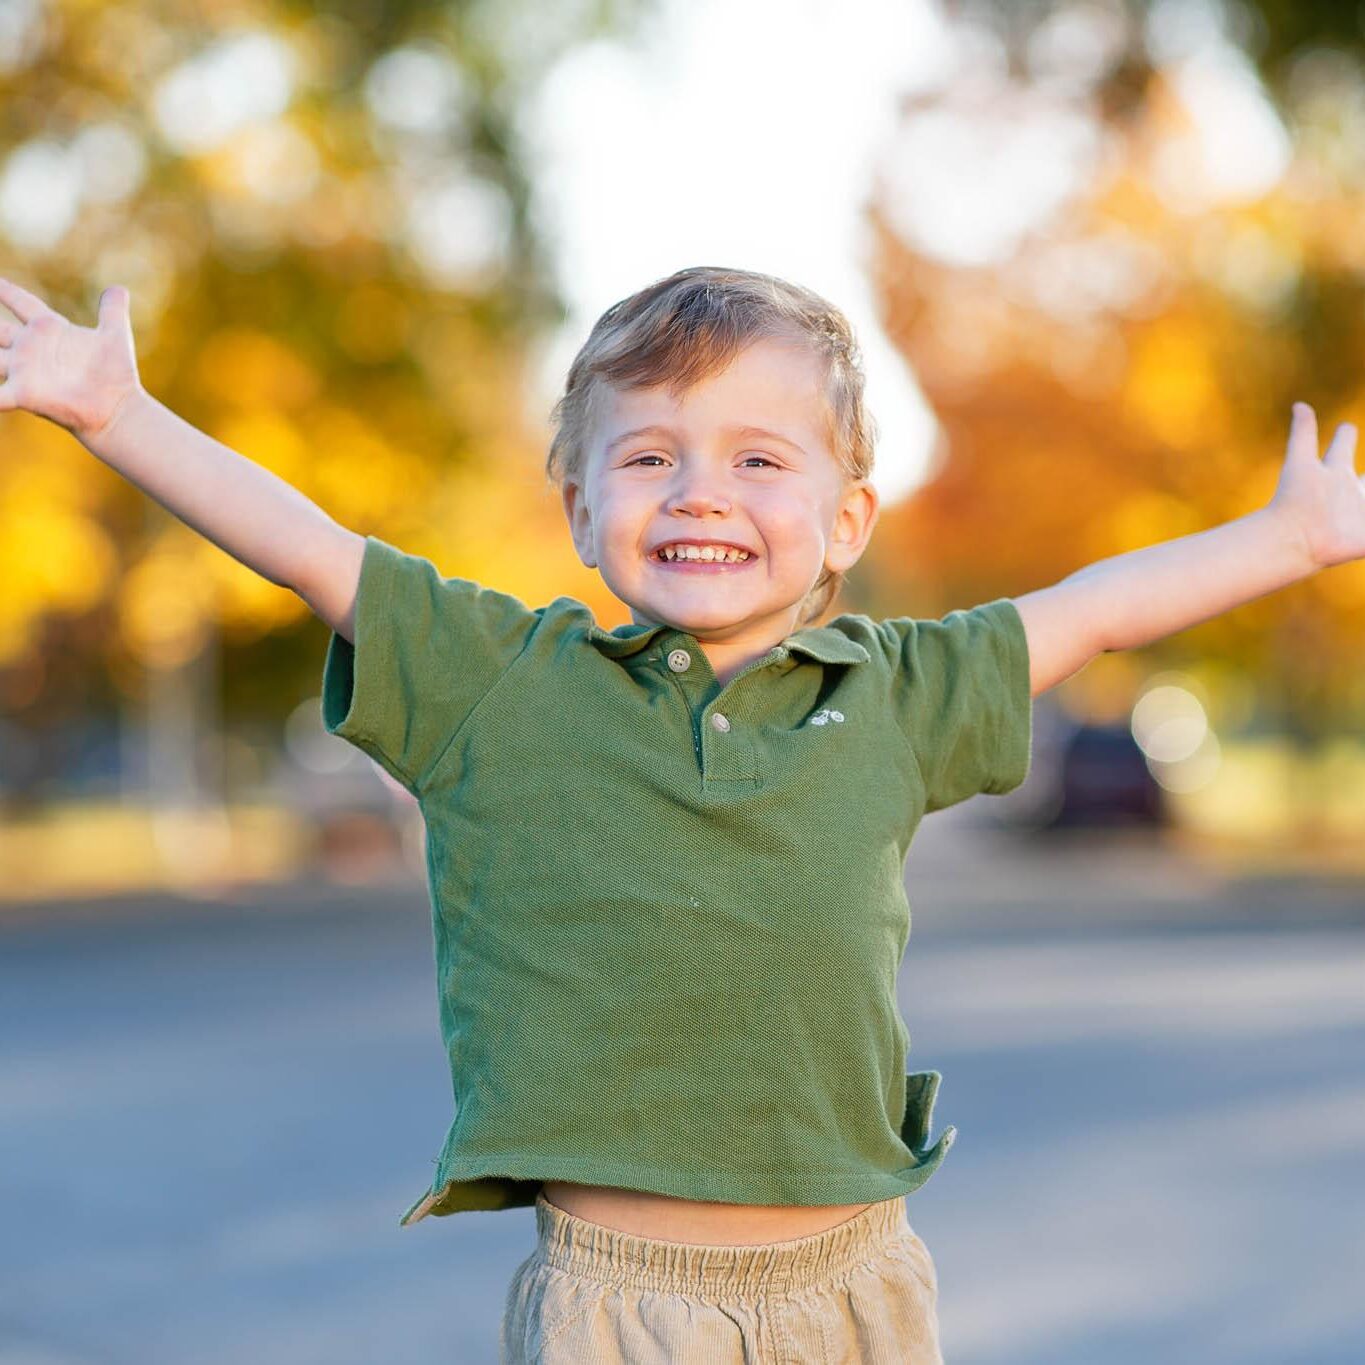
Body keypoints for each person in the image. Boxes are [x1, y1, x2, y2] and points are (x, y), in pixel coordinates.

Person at [1, 264, 1357, 1363]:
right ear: (580, 507)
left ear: (846, 520)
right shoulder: (500, 684)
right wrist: (117, 414)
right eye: (649, 455)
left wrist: (1287, 539)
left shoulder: (895, 692)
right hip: (620, 1305)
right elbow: (311, 551)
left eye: (759, 458)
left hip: (854, 1288)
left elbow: (1093, 609)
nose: (701, 489)